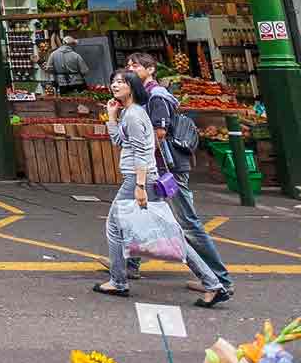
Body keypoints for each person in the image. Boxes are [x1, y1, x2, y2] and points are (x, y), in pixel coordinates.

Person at [93, 69, 229, 308]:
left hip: (138, 179)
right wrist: (112, 117)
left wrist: (139, 186)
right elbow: (119, 143)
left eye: (121, 82)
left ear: (132, 86)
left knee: (114, 227)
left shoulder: (135, 115)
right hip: (141, 178)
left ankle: (118, 280)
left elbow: (143, 153)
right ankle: (212, 283)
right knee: (170, 234)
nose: (114, 86)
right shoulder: (129, 113)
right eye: (113, 81)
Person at [128, 52, 232, 298]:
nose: (129, 69)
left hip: (168, 170)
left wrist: (139, 158)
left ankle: (220, 279)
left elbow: (159, 133)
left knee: (188, 225)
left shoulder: (156, 97)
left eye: (135, 65)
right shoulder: (143, 97)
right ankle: (128, 265)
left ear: (151, 69)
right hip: (160, 169)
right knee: (140, 213)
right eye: (128, 65)